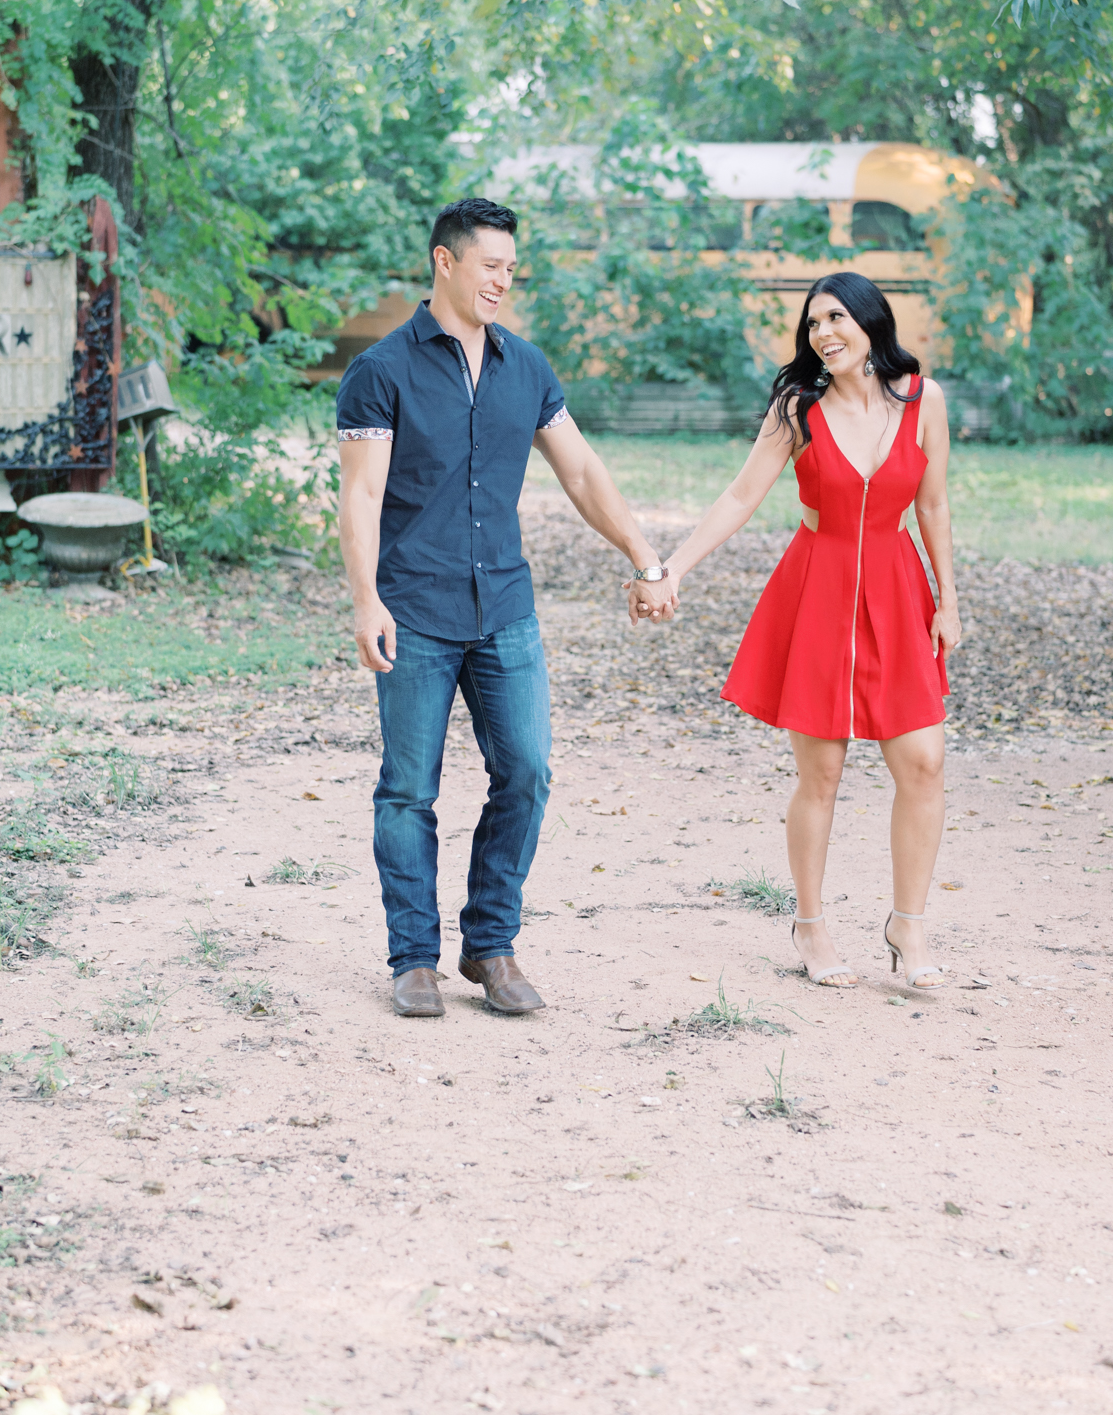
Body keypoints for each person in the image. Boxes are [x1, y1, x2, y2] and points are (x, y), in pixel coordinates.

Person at [337, 197, 668, 1020]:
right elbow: (361, 495)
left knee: (527, 770)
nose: (503, 282)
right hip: (413, 605)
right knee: (409, 788)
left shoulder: (528, 368)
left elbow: (583, 473)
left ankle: (490, 945)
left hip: (505, 607)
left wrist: (644, 554)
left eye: (511, 270)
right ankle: (414, 958)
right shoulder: (381, 371)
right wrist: (365, 598)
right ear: (444, 261)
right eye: (491, 266)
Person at [628, 272, 961, 990]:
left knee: (924, 760)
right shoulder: (797, 407)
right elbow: (742, 493)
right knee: (824, 771)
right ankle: (810, 923)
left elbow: (932, 506)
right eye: (813, 325)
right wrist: (672, 568)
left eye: (837, 317)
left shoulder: (922, 399)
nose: (824, 334)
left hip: (899, 591)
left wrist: (949, 599)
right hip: (819, 587)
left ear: (872, 322)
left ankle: (910, 922)